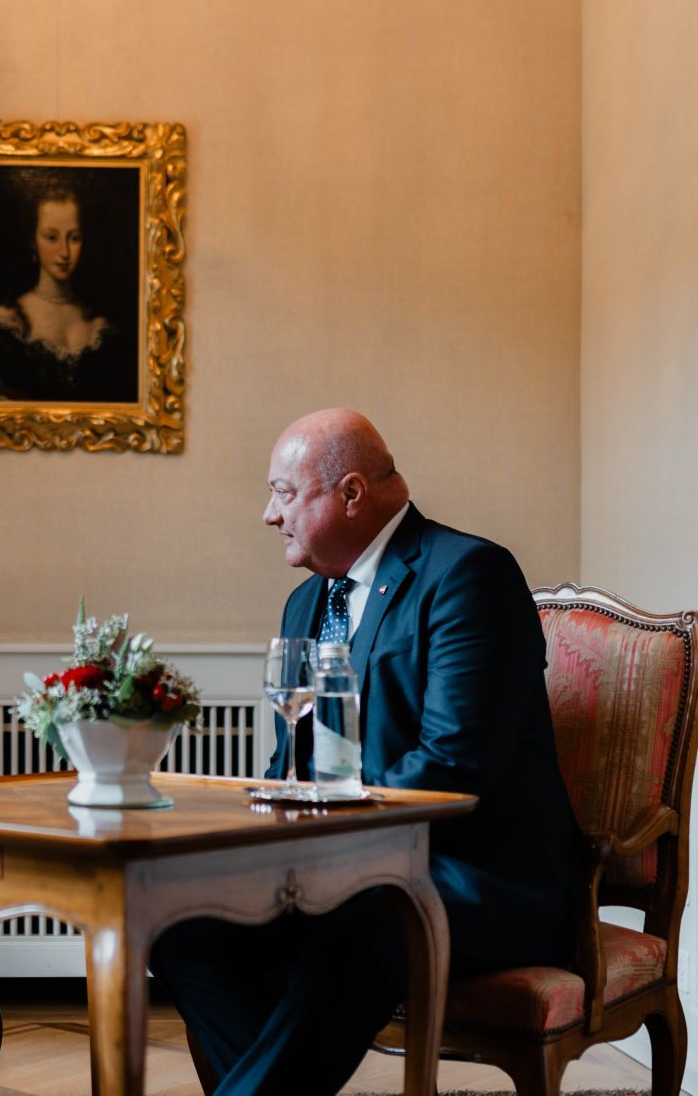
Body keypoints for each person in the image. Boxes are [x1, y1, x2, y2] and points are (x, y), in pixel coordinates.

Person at [150, 409, 581, 1096]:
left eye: (283, 493)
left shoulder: (469, 574)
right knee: (180, 922)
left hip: (476, 877)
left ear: (350, 494)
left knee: (357, 916)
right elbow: (286, 770)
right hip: (347, 871)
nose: (268, 514)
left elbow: (453, 765)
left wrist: (320, 841)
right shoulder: (303, 605)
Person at [0, 177, 138, 403]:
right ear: (33, 241)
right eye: (51, 238)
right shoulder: (6, 323)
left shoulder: (102, 328)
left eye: (74, 238)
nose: (64, 252)